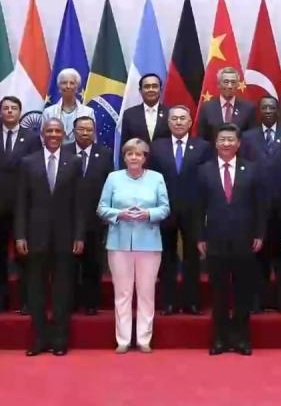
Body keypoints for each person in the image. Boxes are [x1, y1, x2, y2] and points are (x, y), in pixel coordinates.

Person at [17, 118, 84, 356]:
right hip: (35, 237)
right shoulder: (28, 162)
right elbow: (21, 202)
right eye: (49, 131)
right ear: (42, 134)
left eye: (57, 131)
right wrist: (20, 235)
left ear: (63, 134)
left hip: (65, 237)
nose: (53, 134)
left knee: (62, 291)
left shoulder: (74, 162)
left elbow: (79, 203)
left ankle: (59, 340)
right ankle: (39, 339)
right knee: (36, 290)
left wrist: (79, 235)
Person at [196, 124, 265, 355]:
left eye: (230, 140)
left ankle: (241, 339)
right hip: (215, 240)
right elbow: (198, 208)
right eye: (222, 139)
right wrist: (200, 237)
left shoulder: (252, 169)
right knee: (219, 293)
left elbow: (260, 205)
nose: (226, 143)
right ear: (215, 143)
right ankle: (220, 339)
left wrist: (259, 233)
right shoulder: (204, 170)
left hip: (245, 239)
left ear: (238, 143)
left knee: (243, 292)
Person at [97, 139, 170, 353]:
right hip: (119, 243)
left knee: (146, 292)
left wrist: (149, 213)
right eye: (130, 154)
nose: (134, 158)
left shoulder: (157, 178)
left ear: (145, 158)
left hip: (149, 242)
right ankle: (123, 339)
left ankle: (144, 338)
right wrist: (119, 213)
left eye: (138, 154)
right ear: (124, 157)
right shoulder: (113, 178)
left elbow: (165, 208)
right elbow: (102, 208)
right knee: (123, 292)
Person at [239, 96, 281, 312]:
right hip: (256, 205)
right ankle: (259, 301)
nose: (267, 110)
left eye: (271, 107)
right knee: (258, 256)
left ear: (278, 111)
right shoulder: (247, 137)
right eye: (263, 107)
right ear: (259, 111)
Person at [149, 105, 210, 315]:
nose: (178, 122)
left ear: (190, 122)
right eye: (174, 118)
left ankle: (191, 301)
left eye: (182, 118)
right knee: (167, 257)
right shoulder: (157, 147)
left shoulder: (202, 146)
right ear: (168, 122)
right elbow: (151, 179)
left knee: (192, 258)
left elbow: (206, 180)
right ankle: (168, 302)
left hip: (194, 211)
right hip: (164, 210)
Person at [0, 95, 41, 314]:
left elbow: (36, 171)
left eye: (13, 108)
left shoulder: (32, 138)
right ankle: (0, 301)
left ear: (20, 112)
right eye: (6, 108)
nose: (9, 111)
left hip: (23, 205)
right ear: (0, 112)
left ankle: (27, 301)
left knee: (24, 256)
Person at [64, 115, 113, 315]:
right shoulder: (64, 152)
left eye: (89, 130)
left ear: (94, 132)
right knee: (69, 263)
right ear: (73, 131)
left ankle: (91, 302)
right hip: (68, 217)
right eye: (81, 129)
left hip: (95, 216)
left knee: (93, 262)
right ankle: (71, 301)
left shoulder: (105, 153)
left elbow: (110, 185)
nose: (85, 133)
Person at [197, 66, 258, 140]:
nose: (230, 86)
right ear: (219, 84)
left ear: (237, 85)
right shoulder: (207, 108)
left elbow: (252, 138)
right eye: (226, 82)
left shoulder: (248, 108)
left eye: (233, 82)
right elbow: (201, 139)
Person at [42, 68, 94, 146]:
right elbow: (43, 139)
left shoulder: (88, 112)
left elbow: (92, 140)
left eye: (72, 83)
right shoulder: (48, 112)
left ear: (77, 87)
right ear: (59, 87)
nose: (68, 86)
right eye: (64, 83)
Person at [120, 73, 170, 146]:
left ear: (161, 90)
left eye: (154, 86)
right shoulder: (129, 114)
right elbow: (125, 145)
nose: (151, 89)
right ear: (140, 91)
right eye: (147, 87)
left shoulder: (170, 113)